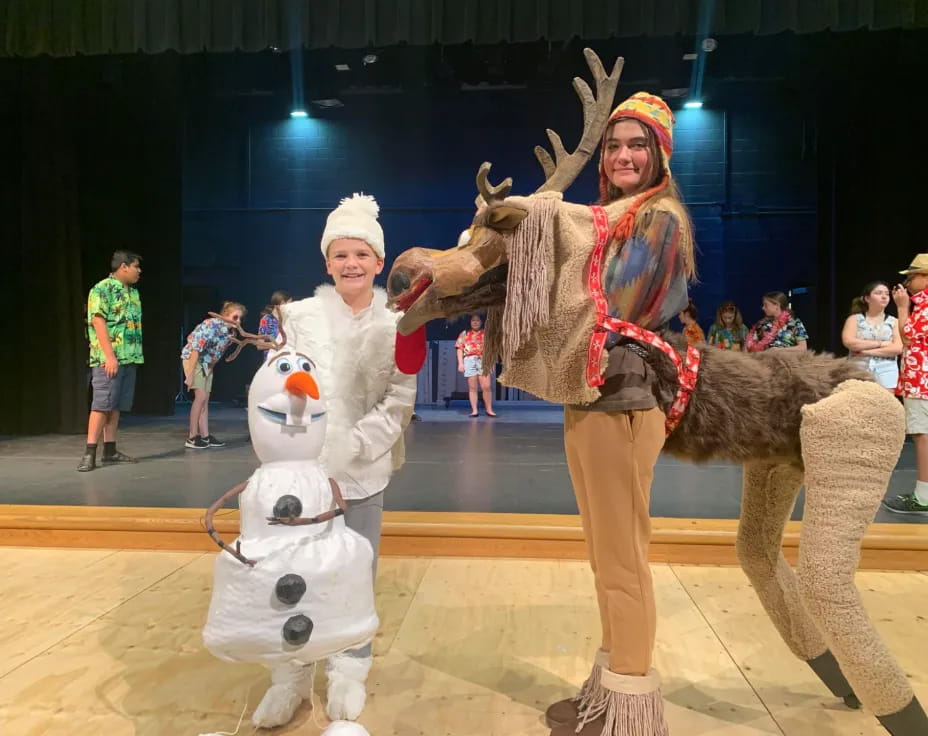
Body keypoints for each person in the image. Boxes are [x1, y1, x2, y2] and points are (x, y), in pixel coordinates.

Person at [547, 92, 696, 736]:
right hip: (592, 397)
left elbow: (615, 305)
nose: (625, 154)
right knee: (604, 555)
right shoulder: (610, 216)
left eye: (638, 143)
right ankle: (609, 686)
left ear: (659, 153)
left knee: (623, 558)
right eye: (615, 145)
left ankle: (632, 707)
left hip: (626, 400)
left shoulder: (656, 219)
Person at [279, 193, 417, 721]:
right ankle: (292, 674)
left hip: (364, 470)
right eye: (340, 255)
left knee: (356, 572)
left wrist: (351, 446)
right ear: (326, 262)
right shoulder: (298, 317)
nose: (351, 264)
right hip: (302, 471)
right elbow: (282, 387)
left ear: (379, 262)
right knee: (294, 574)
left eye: (361, 254)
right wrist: (300, 443)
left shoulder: (397, 319)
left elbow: (400, 398)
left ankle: (349, 670)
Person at [77, 250, 144, 472]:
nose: (139, 271)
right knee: (101, 405)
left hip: (129, 357)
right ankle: (89, 453)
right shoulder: (102, 289)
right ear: (124, 267)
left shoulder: (133, 293)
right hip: (109, 359)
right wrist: (109, 356)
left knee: (115, 406)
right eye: (136, 266)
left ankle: (110, 450)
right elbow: (98, 322)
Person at [884, 256, 928, 516]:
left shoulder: (924, 306)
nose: (908, 282)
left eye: (912, 277)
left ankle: (923, 497)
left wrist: (902, 308)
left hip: (921, 381)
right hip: (919, 379)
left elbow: (908, 337)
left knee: (922, 435)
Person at [180, 301, 246, 449]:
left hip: (206, 364)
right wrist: (190, 375)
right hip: (193, 359)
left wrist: (210, 369)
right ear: (225, 316)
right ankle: (192, 437)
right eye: (235, 317)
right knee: (200, 397)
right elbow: (196, 349)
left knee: (205, 400)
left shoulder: (230, 333)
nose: (238, 321)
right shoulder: (211, 325)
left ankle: (205, 436)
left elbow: (217, 354)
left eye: (240, 318)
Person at [841, 281, 902, 389]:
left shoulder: (895, 322)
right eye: (878, 293)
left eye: (887, 294)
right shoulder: (854, 319)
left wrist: (866, 351)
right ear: (867, 298)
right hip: (858, 371)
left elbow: (897, 348)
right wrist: (882, 343)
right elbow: (850, 343)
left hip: (886, 374)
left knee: (885, 404)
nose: (884, 297)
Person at [455, 313, 497, 417]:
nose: (475, 322)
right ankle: (474, 410)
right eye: (473, 320)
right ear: (470, 322)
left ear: (481, 322)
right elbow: (459, 348)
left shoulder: (486, 334)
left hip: (483, 360)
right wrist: (460, 363)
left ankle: (489, 409)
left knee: (486, 386)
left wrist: (491, 362)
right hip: (469, 360)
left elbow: (491, 350)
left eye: (477, 320)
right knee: (472, 387)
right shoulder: (464, 333)